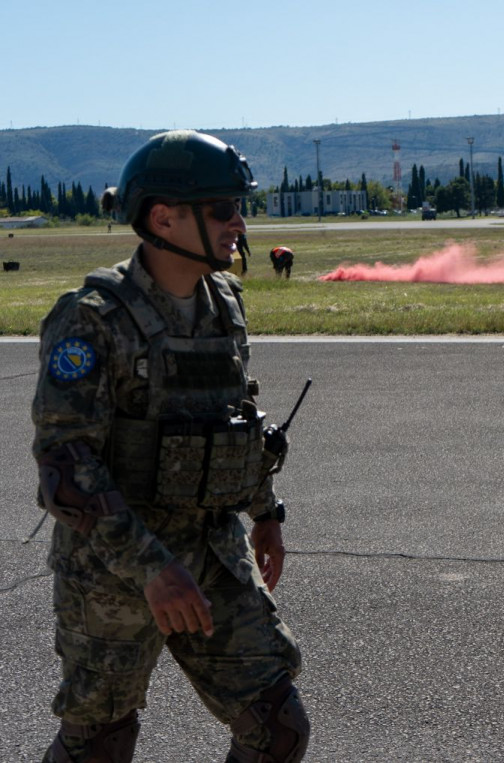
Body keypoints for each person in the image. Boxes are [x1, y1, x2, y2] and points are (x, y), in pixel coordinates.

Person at [32, 130, 309, 761]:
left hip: (214, 549)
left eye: (239, 206)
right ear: (163, 217)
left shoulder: (225, 305)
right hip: (115, 568)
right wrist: (154, 570)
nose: (239, 222)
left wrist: (266, 512)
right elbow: (66, 467)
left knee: (278, 729)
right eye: (222, 209)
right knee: (99, 741)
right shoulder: (93, 318)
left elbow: (234, 420)